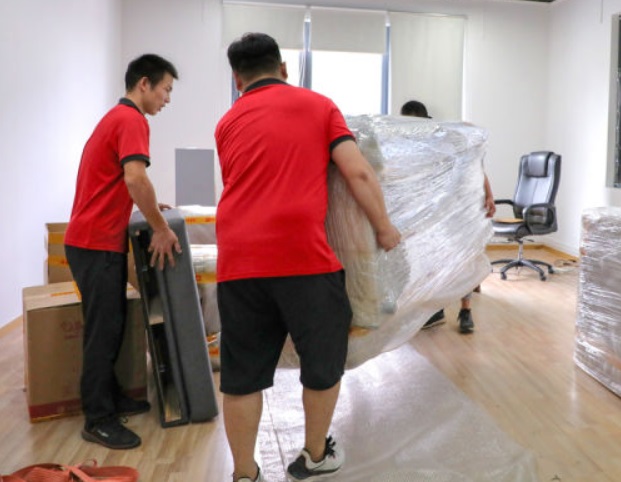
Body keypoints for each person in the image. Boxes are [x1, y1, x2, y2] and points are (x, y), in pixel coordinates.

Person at [215, 33, 401, 482]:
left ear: (237, 79)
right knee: (323, 364)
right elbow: (357, 172)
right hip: (303, 258)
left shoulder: (226, 122)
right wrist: (383, 227)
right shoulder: (319, 107)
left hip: (237, 261)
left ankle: (244, 473)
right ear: (283, 69)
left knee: (242, 375)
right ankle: (314, 456)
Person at [64, 54, 181, 450]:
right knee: (103, 331)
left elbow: (117, 182)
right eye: (165, 89)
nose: (167, 99)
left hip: (92, 241)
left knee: (110, 326)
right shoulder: (132, 119)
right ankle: (97, 419)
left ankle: (110, 398)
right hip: (94, 243)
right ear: (144, 83)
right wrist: (161, 228)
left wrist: (151, 208)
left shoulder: (116, 118)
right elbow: (135, 178)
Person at [400, 100, 496, 333]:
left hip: (465, 207)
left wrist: (489, 195)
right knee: (436, 260)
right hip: (439, 210)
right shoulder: (413, 144)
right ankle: (437, 310)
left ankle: (466, 310)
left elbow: (476, 167)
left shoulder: (444, 137)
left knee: (465, 259)